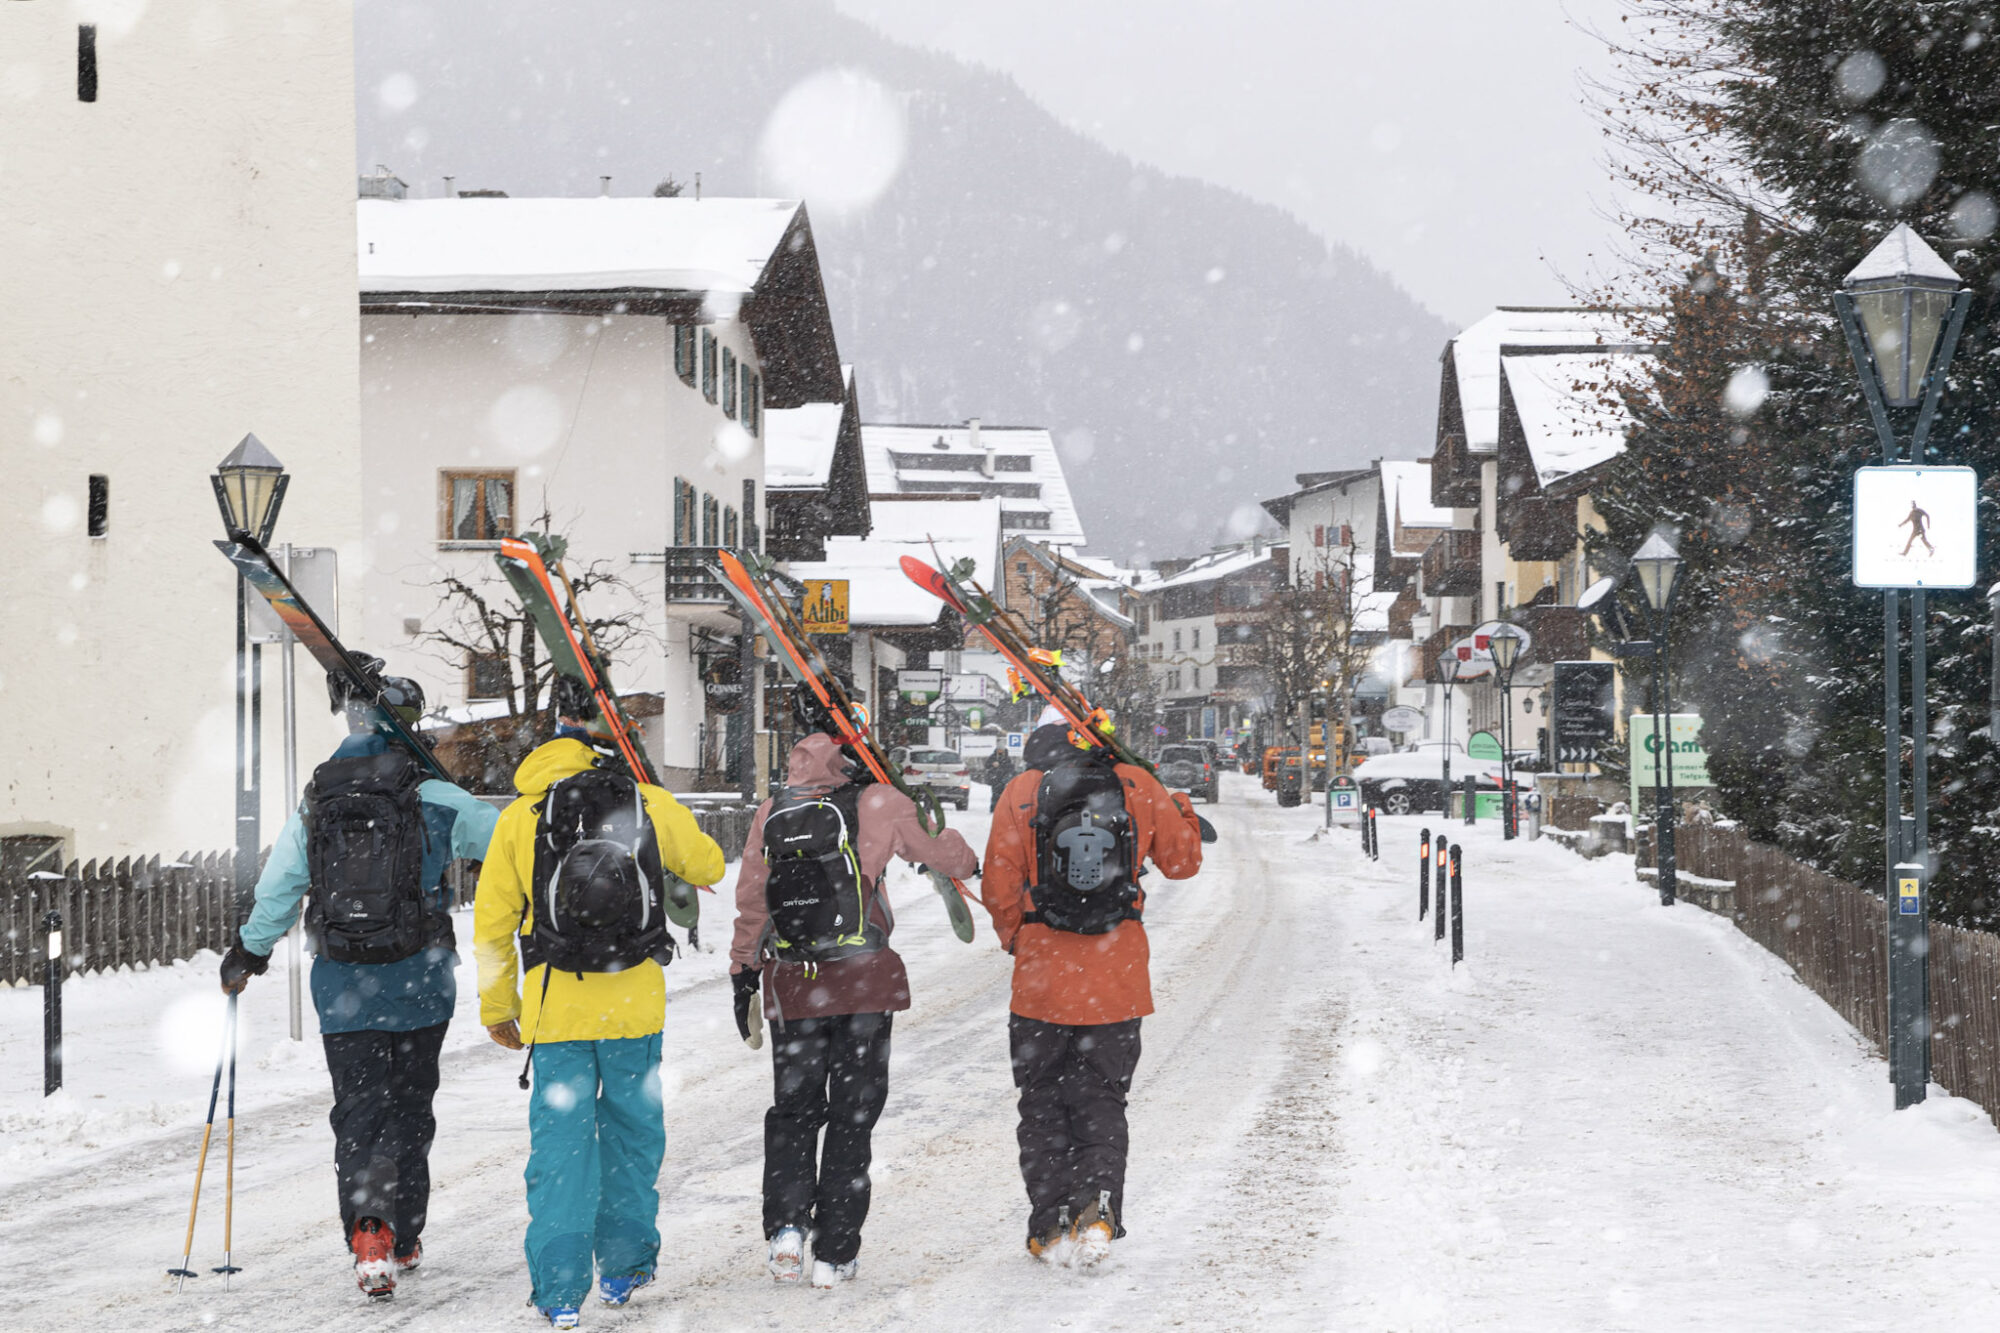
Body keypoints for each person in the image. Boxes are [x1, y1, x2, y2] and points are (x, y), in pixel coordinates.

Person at [219, 657, 498, 1300]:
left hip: (343, 986)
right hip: (421, 983)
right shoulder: (434, 797)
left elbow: (281, 886)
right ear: (412, 726)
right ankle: (404, 1234)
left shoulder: (320, 799)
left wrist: (249, 953)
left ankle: (369, 1229)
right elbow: (510, 844)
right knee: (410, 1110)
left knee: (359, 1110)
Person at [474, 678, 725, 1330]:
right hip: (633, 1008)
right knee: (631, 1138)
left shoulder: (522, 816)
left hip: (556, 1012)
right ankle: (623, 1267)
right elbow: (710, 866)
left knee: (560, 1150)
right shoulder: (643, 801)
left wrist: (499, 1006)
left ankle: (559, 1291)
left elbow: (493, 925)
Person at [730, 731, 979, 1289]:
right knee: (852, 1115)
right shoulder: (880, 801)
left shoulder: (772, 811)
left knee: (794, 1110)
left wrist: (743, 968)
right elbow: (947, 856)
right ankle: (835, 1253)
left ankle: (787, 1230)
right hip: (864, 983)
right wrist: (963, 853)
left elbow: (752, 900)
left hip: (795, 984)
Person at [979, 716, 1204, 1268]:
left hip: (1040, 982)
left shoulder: (1022, 790)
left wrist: (1019, 938)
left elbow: (998, 885)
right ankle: (1098, 1210)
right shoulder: (1135, 783)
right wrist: (1179, 805)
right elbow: (1182, 863)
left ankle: (1050, 1224)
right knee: (1102, 1099)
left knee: (1041, 1104)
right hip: (1116, 978)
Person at [982, 745, 1018, 811]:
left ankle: (1002, 809)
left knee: (1003, 795)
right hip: (995, 779)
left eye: (1002, 750)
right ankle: (994, 808)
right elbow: (987, 765)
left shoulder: (1007, 758)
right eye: (999, 750)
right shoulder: (993, 757)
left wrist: (1007, 775)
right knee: (995, 794)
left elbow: (1010, 768)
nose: (1000, 752)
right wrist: (992, 764)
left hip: (1003, 779)